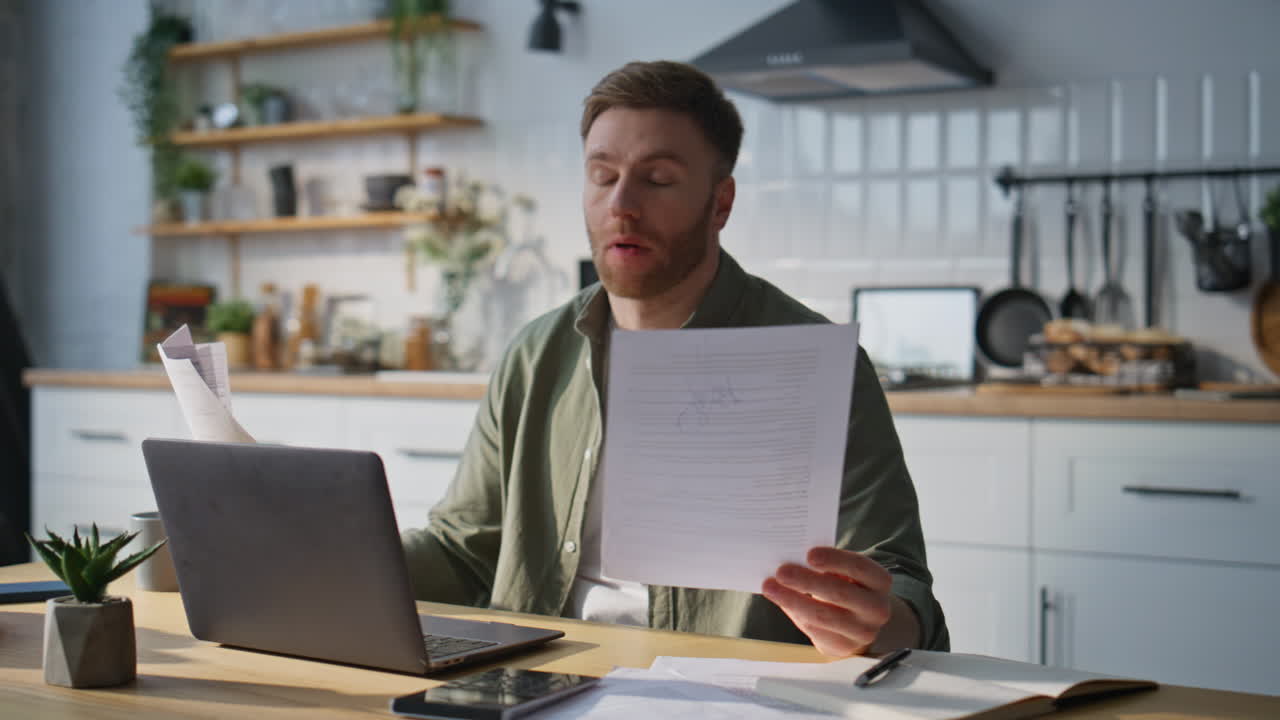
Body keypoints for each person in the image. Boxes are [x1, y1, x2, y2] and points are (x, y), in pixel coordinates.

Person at [401, 60, 949, 656]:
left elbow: (899, 588)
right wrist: (316, 557)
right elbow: (463, 552)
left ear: (721, 204)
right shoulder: (536, 354)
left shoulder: (815, 365)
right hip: (533, 679)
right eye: (602, 176)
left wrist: (879, 621)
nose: (622, 204)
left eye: (657, 180)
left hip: (724, 693)